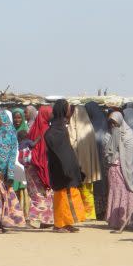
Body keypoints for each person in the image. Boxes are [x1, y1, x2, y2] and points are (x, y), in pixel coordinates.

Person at [44, 99, 86, 233]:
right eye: (68, 108)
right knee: (61, 196)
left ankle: (67, 222)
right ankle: (59, 224)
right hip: (59, 167)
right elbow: (54, 142)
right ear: (63, 110)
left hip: (67, 166)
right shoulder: (56, 128)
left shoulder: (61, 125)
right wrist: (65, 166)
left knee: (69, 194)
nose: (70, 110)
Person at [104, 111, 133, 233]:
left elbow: (130, 154)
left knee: (127, 192)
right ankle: (114, 220)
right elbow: (108, 151)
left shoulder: (129, 134)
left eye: (115, 123)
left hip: (126, 169)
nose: (113, 126)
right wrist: (114, 139)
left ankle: (126, 220)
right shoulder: (109, 133)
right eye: (111, 123)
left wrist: (118, 145)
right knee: (115, 192)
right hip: (114, 169)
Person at [68, 104, 102, 220]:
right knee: (88, 189)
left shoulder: (74, 127)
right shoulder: (89, 127)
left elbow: (71, 143)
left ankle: (80, 213)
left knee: (79, 189)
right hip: (89, 167)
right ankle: (90, 214)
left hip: (78, 164)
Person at [84, 101, 109, 219]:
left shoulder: (90, 125)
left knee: (97, 185)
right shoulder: (104, 122)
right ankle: (100, 211)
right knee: (101, 184)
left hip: (95, 160)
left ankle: (98, 211)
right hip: (102, 160)